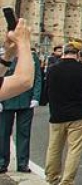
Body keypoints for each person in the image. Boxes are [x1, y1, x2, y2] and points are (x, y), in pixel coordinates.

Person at [44, 43, 82, 185]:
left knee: (54, 148)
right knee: (74, 150)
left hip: (57, 114)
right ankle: (67, 180)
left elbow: (47, 90)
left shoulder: (52, 69)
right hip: (79, 114)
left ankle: (52, 178)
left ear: (63, 53)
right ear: (78, 54)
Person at [0, 42, 40, 174]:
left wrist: (36, 97)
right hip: (7, 99)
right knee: (3, 133)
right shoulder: (4, 57)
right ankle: (2, 162)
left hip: (26, 99)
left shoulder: (31, 57)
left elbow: (37, 78)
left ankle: (23, 163)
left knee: (24, 133)